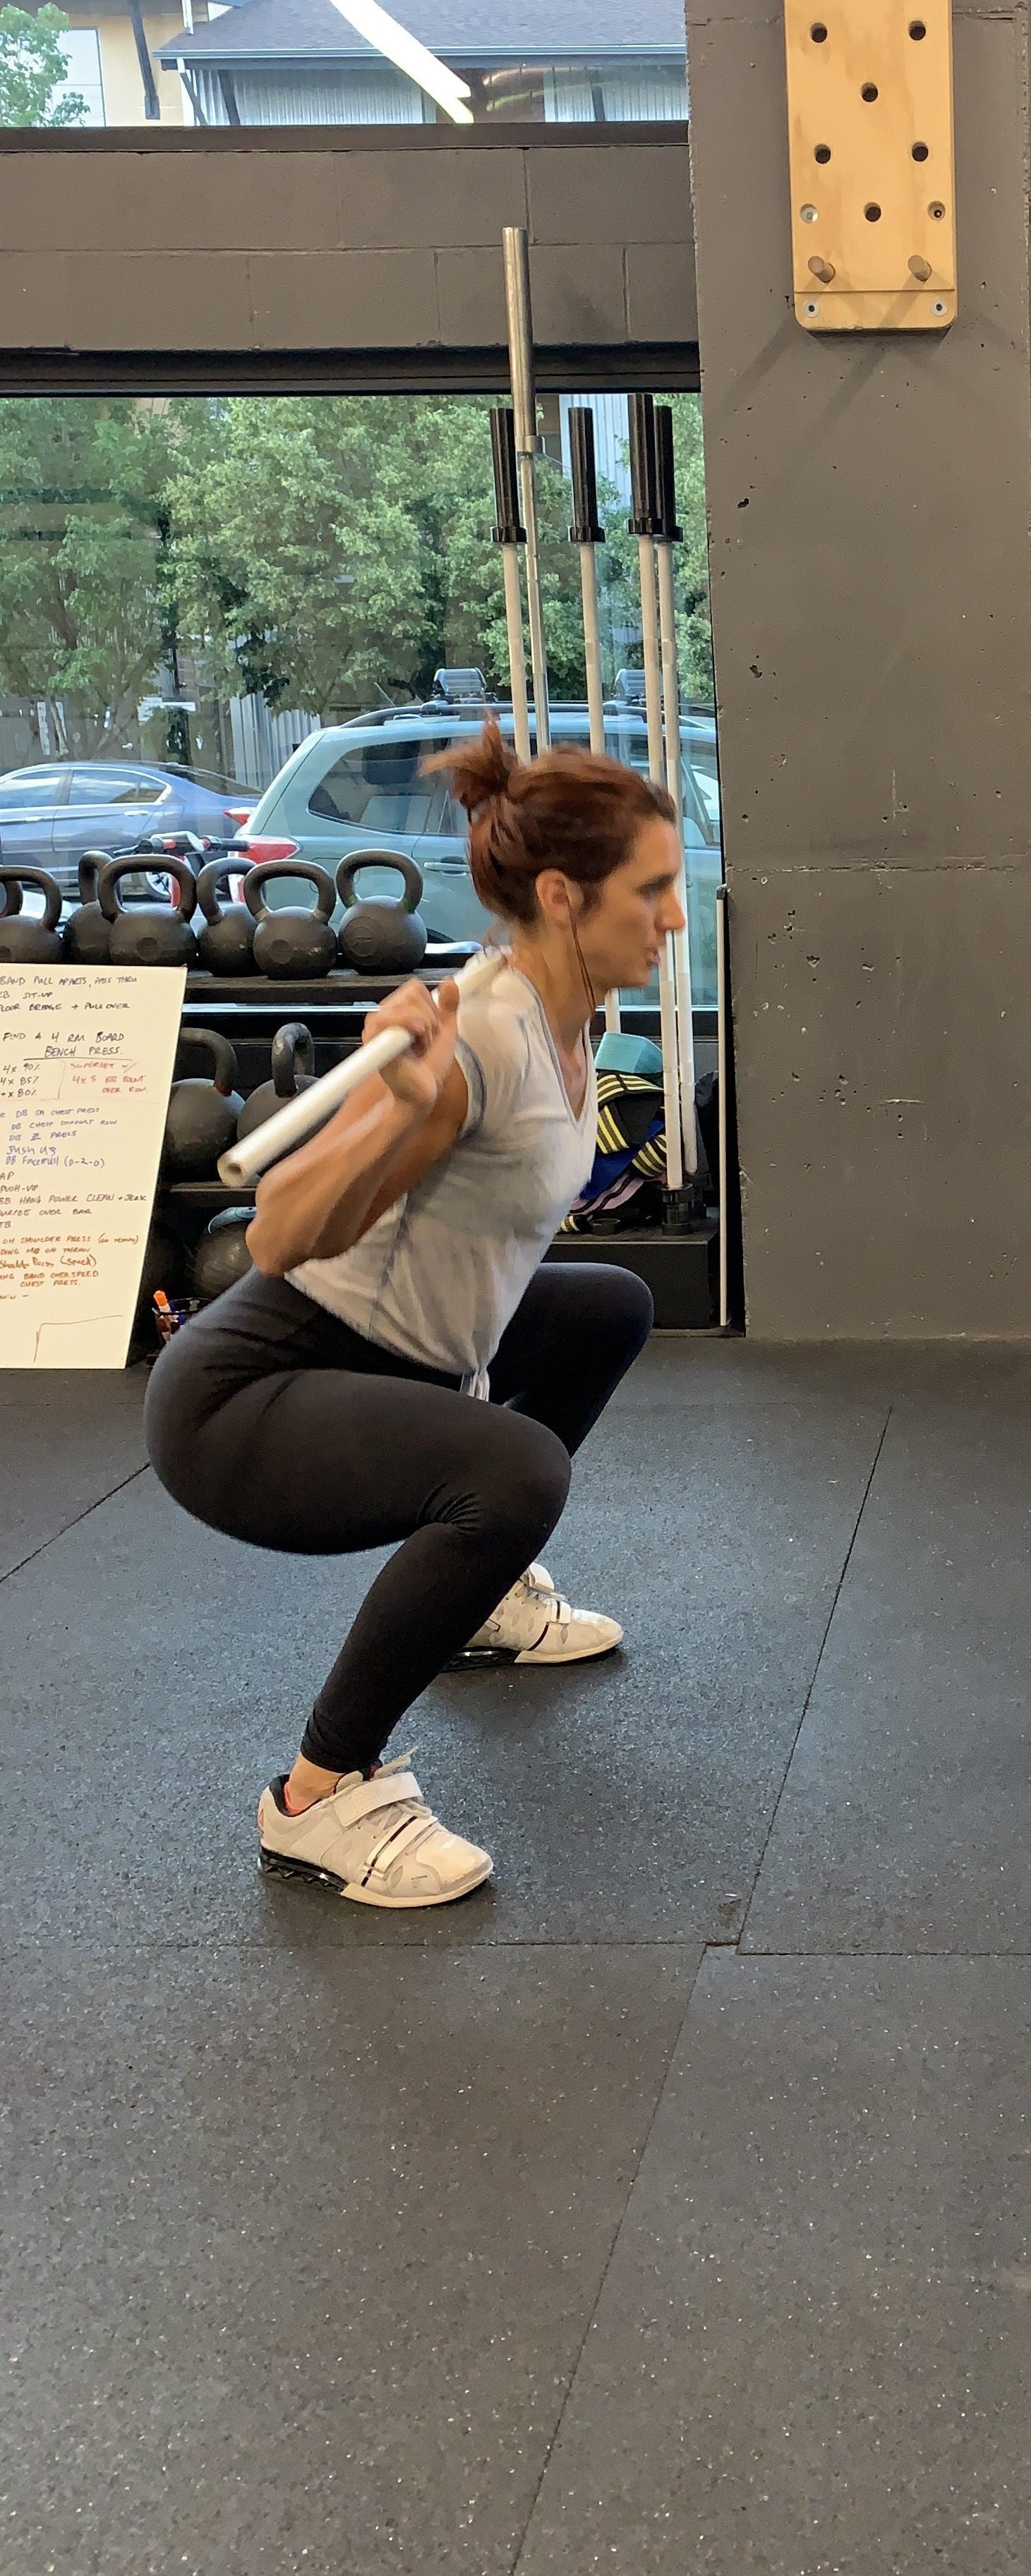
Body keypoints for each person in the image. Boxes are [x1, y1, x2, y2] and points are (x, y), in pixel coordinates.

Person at [147, 722, 681, 1909]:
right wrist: (400, 1103)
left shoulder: (570, 1014)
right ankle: (319, 1796)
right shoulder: (478, 1039)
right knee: (517, 1473)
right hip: (247, 1399)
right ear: (562, 896)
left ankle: (478, 1598)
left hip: (396, 1360)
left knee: (608, 1309)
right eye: (652, 892)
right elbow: (277, 1235)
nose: (675, 918)